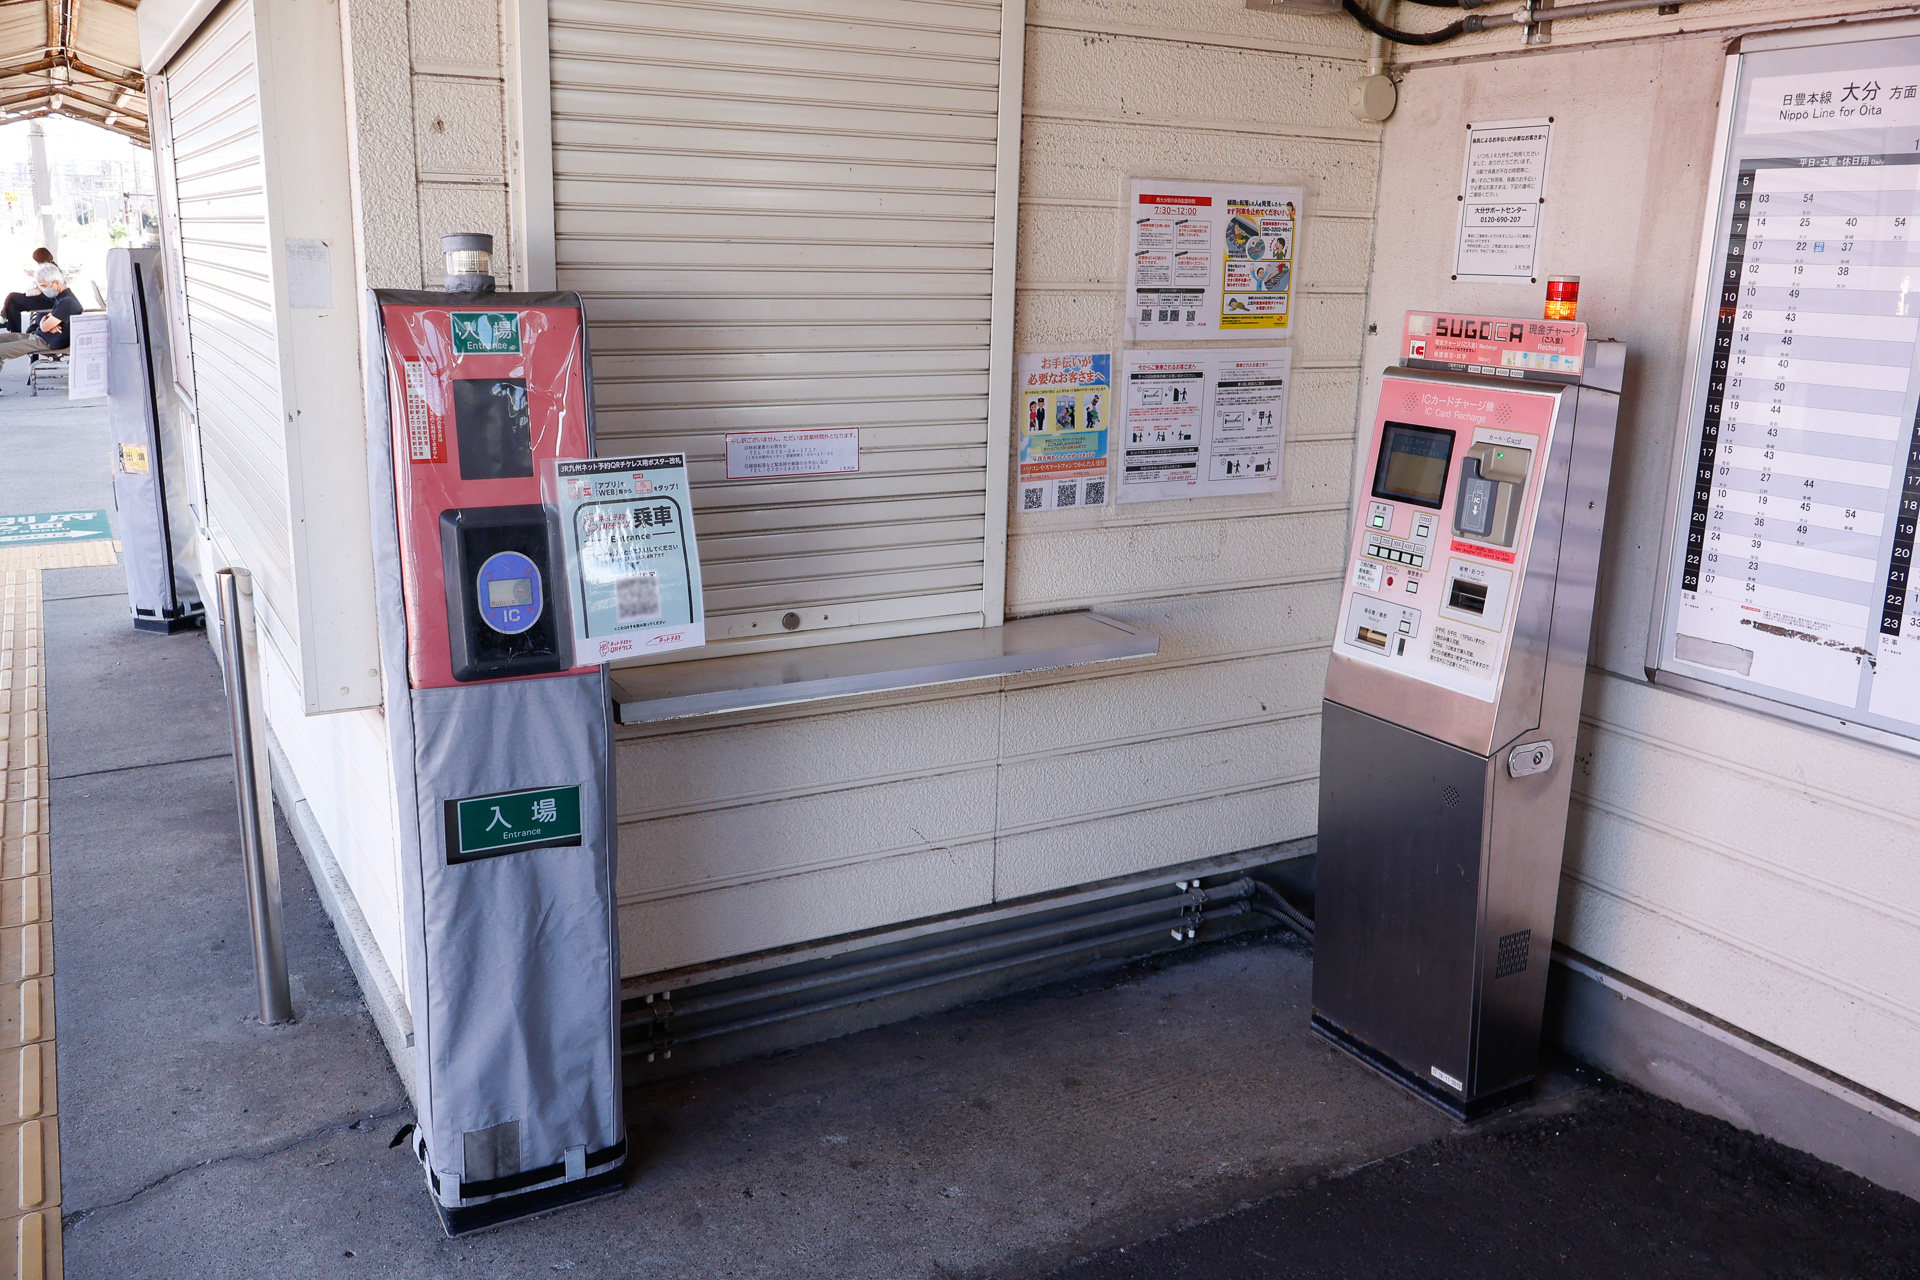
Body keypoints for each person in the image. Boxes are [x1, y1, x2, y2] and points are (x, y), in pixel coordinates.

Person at [0, 265, 82, 377]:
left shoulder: (67, 302)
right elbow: (41, 317)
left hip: (45, 342)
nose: (43, 290)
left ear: (56, 283)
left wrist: (46, 321)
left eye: (44, 286)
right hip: (38, 336)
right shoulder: (62, 298)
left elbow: (44, 326)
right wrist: (46, 320)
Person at [2, 249, 60, 334]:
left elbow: (46, 288)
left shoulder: (51, 268)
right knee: (12, 307)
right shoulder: (48, 267)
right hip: (42, 298)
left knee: (12, 296)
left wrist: (34, 275)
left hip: (46, 301)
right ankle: (15, 333)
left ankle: (2, 315)